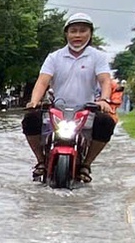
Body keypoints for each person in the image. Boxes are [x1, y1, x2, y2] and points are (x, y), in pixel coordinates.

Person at [23, 14, 117, 173]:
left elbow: (104, 80)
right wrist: (34, 101)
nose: (78, 35)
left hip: (86, 111)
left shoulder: (98, 57)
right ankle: (40, 161)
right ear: (66, 34)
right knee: (30, 119)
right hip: (57, 111)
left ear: (90, 33)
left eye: (82, 31)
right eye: (73, 31)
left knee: (106, 123)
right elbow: (42, 81)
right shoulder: (54, 57)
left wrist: (104, 100)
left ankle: (86, 164)